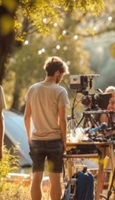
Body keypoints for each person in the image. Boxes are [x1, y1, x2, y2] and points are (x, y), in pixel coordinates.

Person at [24, 56, 69, 200]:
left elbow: (26, 116)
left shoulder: (33, 89)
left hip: (36, 140)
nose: (61, 77)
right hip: (54, 140)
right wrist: (65, 141)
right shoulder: (60, 91)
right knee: (55, 179)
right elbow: (62, 120)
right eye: (61, 75)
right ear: (57, 73)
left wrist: (29, 137)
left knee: (36, 177)